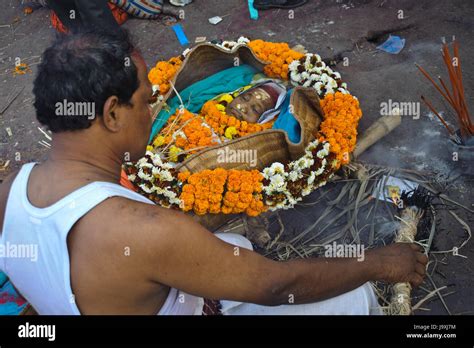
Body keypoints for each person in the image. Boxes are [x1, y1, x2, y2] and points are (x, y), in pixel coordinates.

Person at [0, 29, 428, 315]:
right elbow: (277, 286)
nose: (153, 112)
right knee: (351, 298)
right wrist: (378, 262)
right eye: (147, 100)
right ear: (112, 114)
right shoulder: (143, 230)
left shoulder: (10, 189)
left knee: (230, 243)